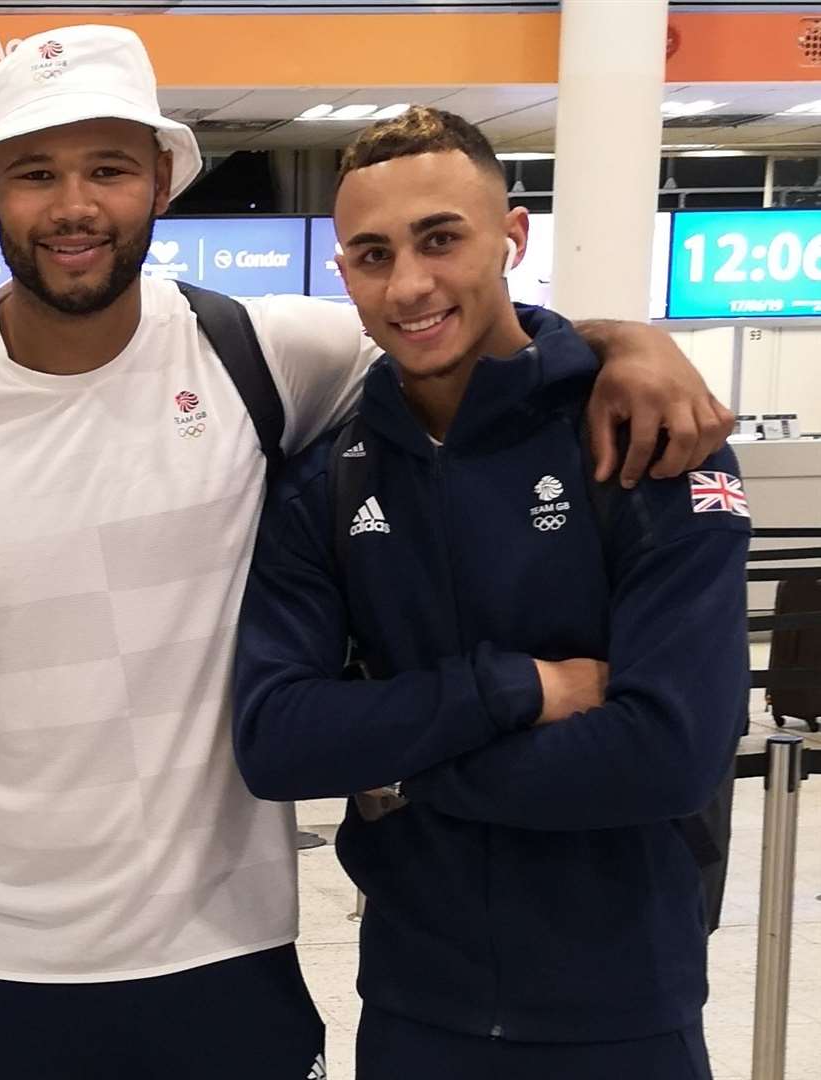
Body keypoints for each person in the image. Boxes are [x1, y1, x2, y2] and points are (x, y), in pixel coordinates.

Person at [0, 25, 732, 1079]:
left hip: (228, 939)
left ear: (161, 180)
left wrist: (623, 341)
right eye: (34, 175)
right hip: (1, 947)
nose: (73, 207)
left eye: (108, 168)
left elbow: (454, 329)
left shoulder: (265, 353)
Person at [231, 107, 747, 1079]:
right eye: (372, 255)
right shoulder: (326, 479)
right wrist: (511, 692)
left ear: (511, 238)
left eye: (440, 239)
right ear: (342, 273)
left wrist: (402, 776)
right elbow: (278, 738)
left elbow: (667, 756)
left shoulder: (647, 441)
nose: (410, 284)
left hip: (624, 1014)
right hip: (410, 1014)